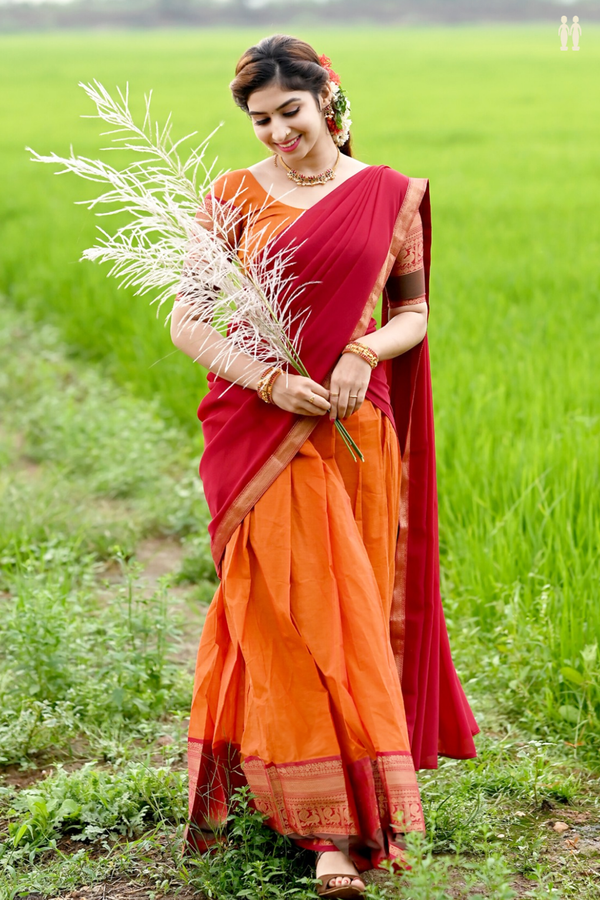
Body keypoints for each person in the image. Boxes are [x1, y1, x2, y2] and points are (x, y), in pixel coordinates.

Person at [171, 33, 478, 899]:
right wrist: (268, 378)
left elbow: (414, 312)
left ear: (327, 100)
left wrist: (360, 353)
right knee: (292, 618)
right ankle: (332, 833)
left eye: (290, 113)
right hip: (262, 433)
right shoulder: (229, 197)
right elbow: (188, 322)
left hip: (356, 431)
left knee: (352, 616)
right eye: (260, 120)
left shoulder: (390, 196)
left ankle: (339, 796)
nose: (276, 133)